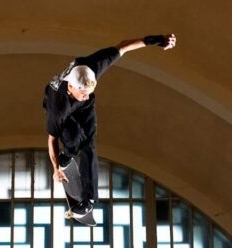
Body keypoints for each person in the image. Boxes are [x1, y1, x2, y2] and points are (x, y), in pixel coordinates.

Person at [43, 34, 177, 218]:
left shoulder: (92, 67)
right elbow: (51, 140)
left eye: (90, 92)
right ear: (70, 88)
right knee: (73, 138)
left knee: (88, 144)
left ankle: (88, 201)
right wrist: (56, 168)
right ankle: (66, 155)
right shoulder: (58, 108)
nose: (86, 96)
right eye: (83, 93)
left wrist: (158, 40)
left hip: (84, 110)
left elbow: (123, 46)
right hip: (66, 113)